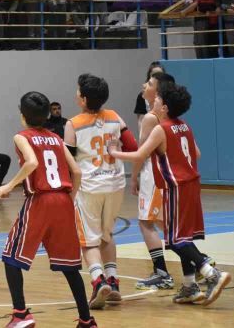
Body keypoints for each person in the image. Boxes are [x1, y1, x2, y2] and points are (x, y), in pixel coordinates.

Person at [108, 83, 231, 306]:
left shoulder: (160, 129)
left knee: (174, 241)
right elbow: (197, 153)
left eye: (157, 100)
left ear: (164, 107)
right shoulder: (184, 126)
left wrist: (114, 152)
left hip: (177, 187)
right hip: (192, 183)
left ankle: (211, 272)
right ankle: (189, 286)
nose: (153, 101)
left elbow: (139, 155)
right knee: (184, 236)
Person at [0, 91, 97, 328]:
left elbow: (32, 163)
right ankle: (86, 320)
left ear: (23, 116)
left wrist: (9, 185)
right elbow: (78, 172)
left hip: (40, 200)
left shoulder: (21, 136)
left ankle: (21, 314)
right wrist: (69, 198)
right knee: (70, 266)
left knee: (11, 257)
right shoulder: (56, 137)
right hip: (63, 200)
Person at [64, 74, 137, 309]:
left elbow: (69, 162)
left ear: (83, 99)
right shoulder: (115, 117)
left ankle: (97, 282)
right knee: (107, 235)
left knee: (88, 242)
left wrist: (68, 191)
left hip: (89, 187)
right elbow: (133, 147)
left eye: (78, 91)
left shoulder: (73, 124)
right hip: (115, 183)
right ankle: (114, 282)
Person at [133, 72, 177, 291]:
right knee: (163, 223)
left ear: (158, 93)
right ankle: (199, 261)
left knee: (145, 222)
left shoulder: (151, 118)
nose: (144, 84)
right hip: (167, 176)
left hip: (154, 176)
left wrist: (133, 177)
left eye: (149, 83)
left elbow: (140, 153)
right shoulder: (173, 118)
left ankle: (162, 272)